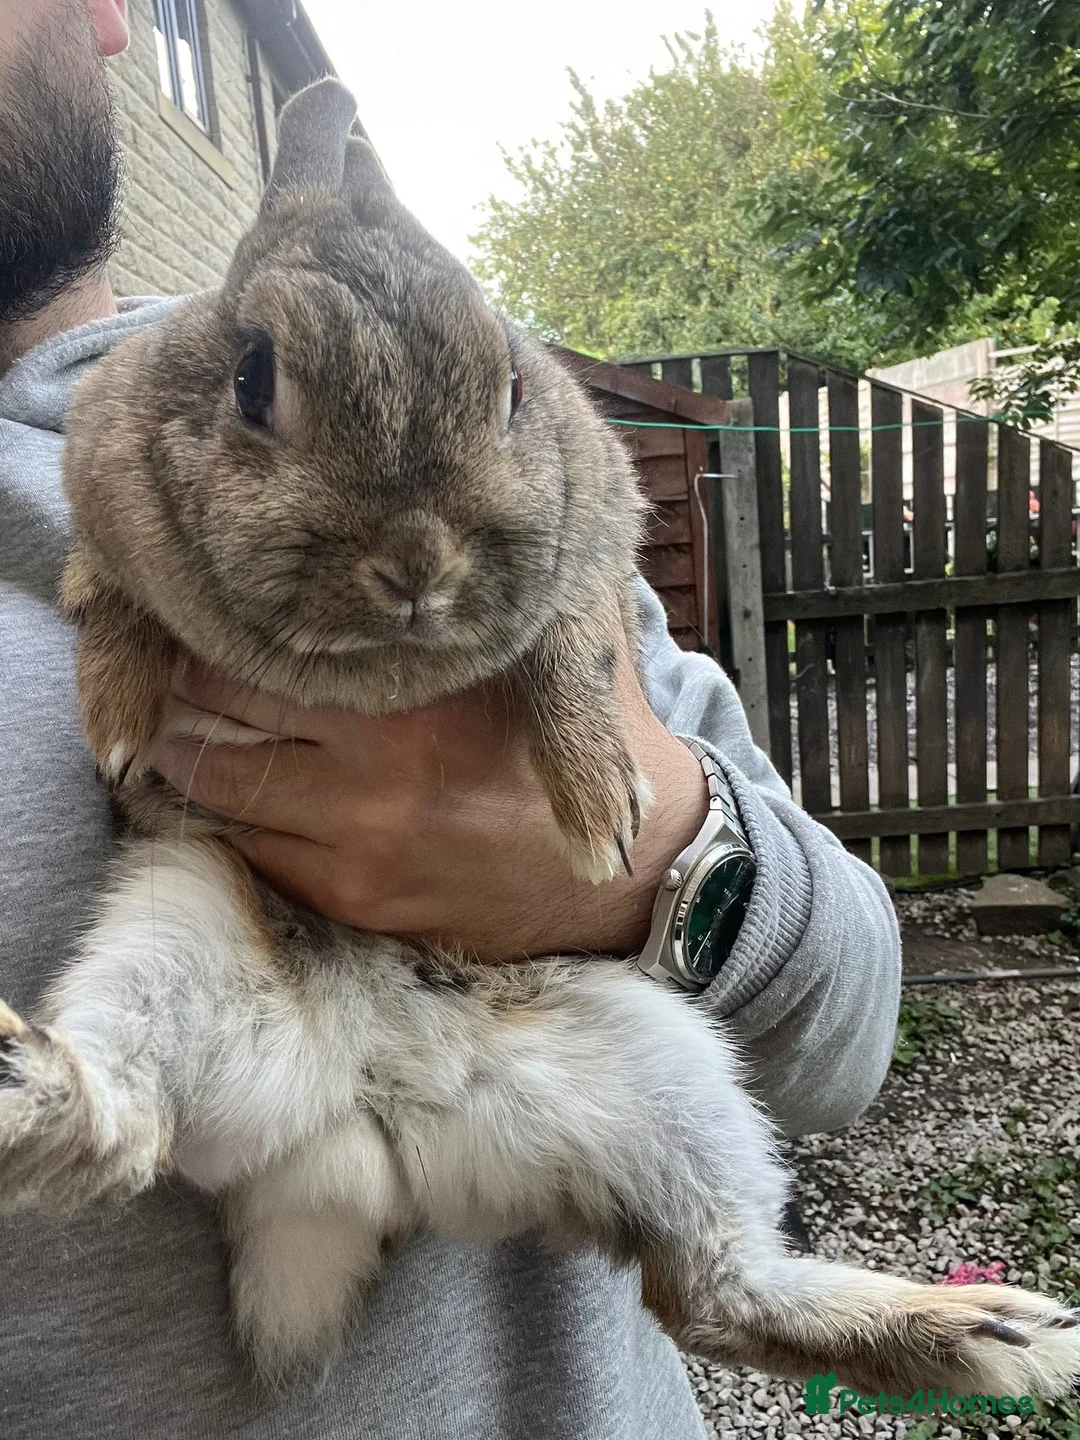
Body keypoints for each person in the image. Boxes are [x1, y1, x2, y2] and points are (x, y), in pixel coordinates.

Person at [0, 1, 901, 1436]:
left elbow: (848, 1031)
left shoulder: (537, 478)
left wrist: (651, 864)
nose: (417, 562)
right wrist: (120, 604)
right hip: (249, 1080)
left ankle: (740, 1276)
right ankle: (87, 1103)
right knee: (167, 924)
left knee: (653, 1077)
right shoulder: (147, 437)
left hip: (514, 1087)